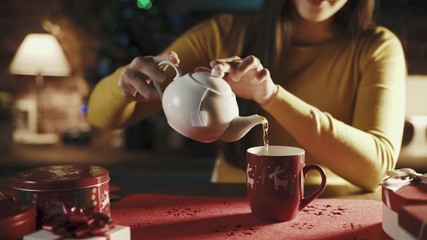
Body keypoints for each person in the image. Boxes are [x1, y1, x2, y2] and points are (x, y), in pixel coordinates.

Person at [88, 0, 406, 191]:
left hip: (337, 210)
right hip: (229, 204)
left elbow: (374, 169)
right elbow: (100, 117)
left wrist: (271, 95)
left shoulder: (376, 47)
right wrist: (123, 85)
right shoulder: (223, 33)